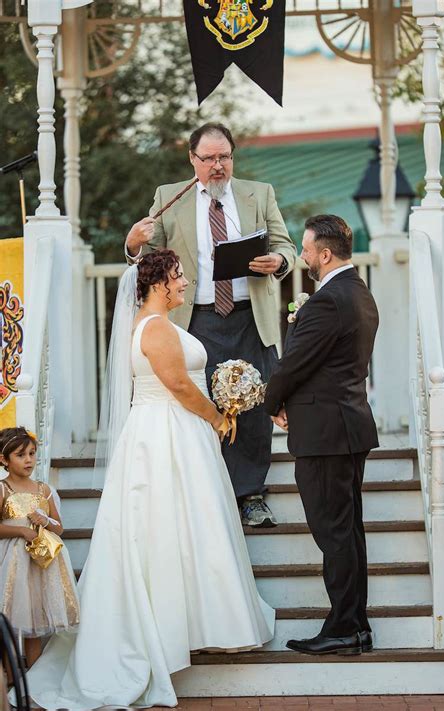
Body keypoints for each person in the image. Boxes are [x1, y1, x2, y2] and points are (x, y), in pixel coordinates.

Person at [25, 250, 274, 710]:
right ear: (160, 283)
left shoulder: (153, 322)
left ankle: (196, 623)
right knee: (166, 528)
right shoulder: (156, 327)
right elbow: (178, 384)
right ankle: (168, 630)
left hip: (173, 431)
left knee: (185, 528)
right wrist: (218, 417)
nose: (184, 285)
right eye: (179, 277)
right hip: (166, 434)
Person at [125, 122, 297, 527]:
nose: (218, 166)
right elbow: (147, 255)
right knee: (202, 405)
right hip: (195, 320)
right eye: (209, 159)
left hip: (249, 317)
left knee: (253, 406)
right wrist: (133, 243)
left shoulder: (260, 193)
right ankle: (209, 494)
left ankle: (251, 495)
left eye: (224, 157)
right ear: (192, 160)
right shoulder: (169, 198)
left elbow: (285, 245)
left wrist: (280, 262)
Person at [264, 215, 379, 657]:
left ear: (325, 254)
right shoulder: (360, 292)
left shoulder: (329, 300)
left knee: (334, 534)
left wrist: (271, 403)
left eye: (307, 250)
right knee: (347, 532)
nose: (304, 256)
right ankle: (357, 626)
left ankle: (345, 628)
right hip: (347, 425)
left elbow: (294, 364)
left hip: (326, 432)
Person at [0, 427, 79, 668]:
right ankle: (12, 678)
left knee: (34, 621)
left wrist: (46, 521)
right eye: (21, 455)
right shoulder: (3, 489)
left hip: (41, 564)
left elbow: (59, 529)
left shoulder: (44, 489)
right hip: (13, 562)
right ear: (3, 459)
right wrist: (21, 530)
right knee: (12, 620)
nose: (29, 460)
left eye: (32, 453)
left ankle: (34, 680)